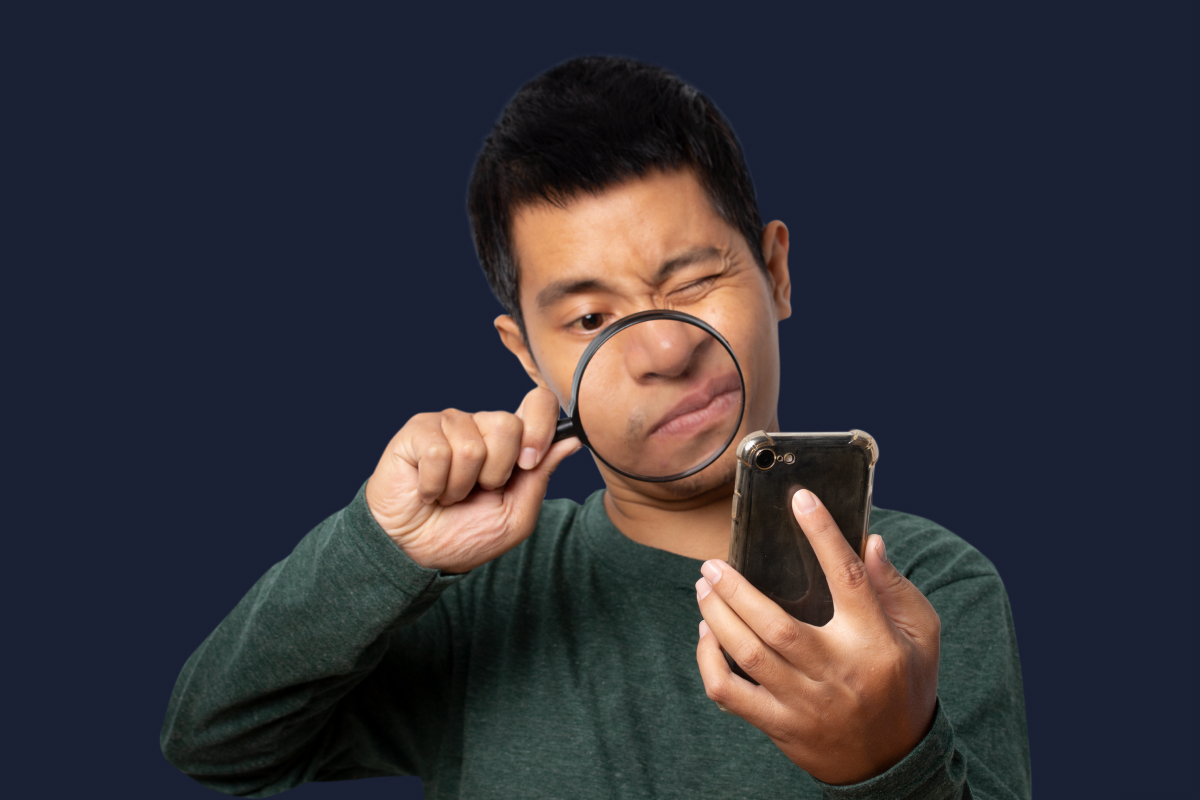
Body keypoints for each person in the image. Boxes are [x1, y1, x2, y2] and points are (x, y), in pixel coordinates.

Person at [161, 56, 1031, 799]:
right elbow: (215, 744)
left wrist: (888, 759)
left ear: (775, 274)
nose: (660, 350)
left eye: (691, 283)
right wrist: (381, 547)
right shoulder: (484, 596)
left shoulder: (923, 594)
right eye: (587, 320)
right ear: (528, 358)